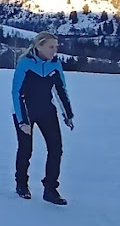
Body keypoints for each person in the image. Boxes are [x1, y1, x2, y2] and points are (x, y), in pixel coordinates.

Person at [11, 31, 75, 205]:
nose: (54, 50)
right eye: (51, 47)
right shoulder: (25, 64)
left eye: (56, 47)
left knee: (56, 149)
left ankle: (50, 189)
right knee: (26, 150)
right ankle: (22, 185)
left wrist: (68, 114)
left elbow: (61, 90)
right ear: (39, 46)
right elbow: (17, 93)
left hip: (47, 111)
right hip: (26, 111)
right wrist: (23, 121)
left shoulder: (55, 64)